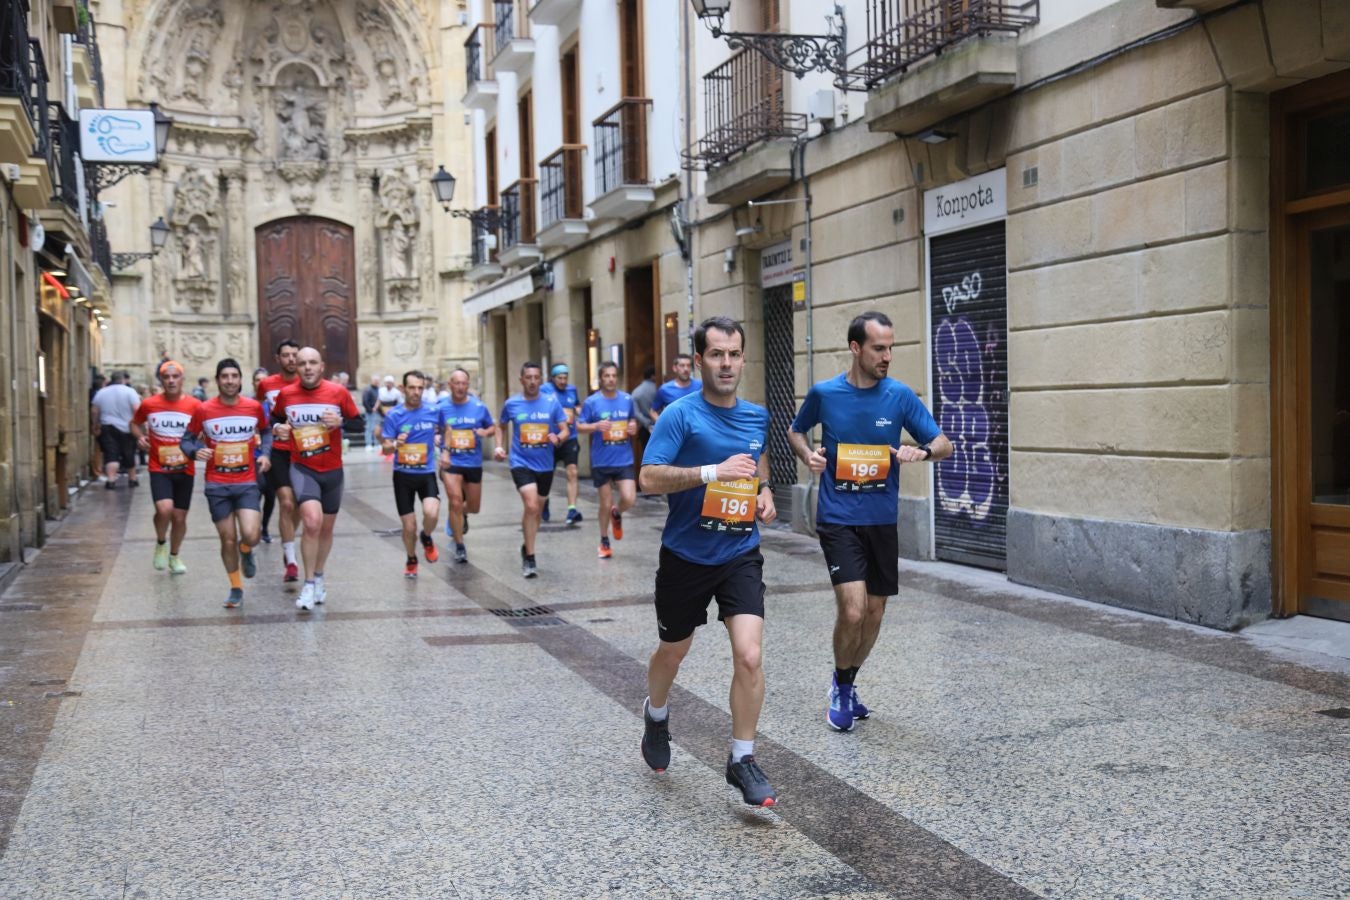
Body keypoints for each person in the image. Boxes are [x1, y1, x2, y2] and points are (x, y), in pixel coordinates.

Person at [788, 311, 953, 732]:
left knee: (875, 613)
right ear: (856, 348)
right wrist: (808, 455)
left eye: (891, 347)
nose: (888, 356)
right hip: (838, 517)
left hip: (882, 520)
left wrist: (924, 452)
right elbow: (796, 430)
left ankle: (846, 681)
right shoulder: (825, 394)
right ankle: (842, 689)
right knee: (853, 608)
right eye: (879, 348)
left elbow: (943, 442)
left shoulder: (898, 396)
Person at [637, 317, 778, 807]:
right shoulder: (678, 415)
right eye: (716, 354)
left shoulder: (756, 416)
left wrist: (764, 491)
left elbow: (756, 460)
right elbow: (649, 478)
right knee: (673, 652)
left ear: (743, 358)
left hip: (739, 551)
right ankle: (656, 714)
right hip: (686, 555)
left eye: (734, 354)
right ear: (699, 361)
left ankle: (742, 758)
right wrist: (709, 472)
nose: (726, 363)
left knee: (750, 654)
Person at [271, 347, 361, 612]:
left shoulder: (338, 393)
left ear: (322, 366)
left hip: (332, 470)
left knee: (326, 529)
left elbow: (359, 424)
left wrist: (341, 420)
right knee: (311, 522)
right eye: (302, 363)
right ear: (295, 368)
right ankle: (308, 584)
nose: (307, 367)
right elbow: (274, 420)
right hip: (303, 468)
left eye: (312, 363)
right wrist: (279, 429)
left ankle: (319, 576)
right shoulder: (287, 395)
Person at [180, 358, 272, 608]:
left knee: (251, 534)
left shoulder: (253, 407)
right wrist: (194, 451)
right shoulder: (204, 410)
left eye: (234, 376)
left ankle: (246, 550)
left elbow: (267, 431)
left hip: (246, 482)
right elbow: (186, 440)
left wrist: (265, 454)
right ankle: (235, 588)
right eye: (225, 376)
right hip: (217, 485)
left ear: (240, 380)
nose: (230, 381)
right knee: (227, 538)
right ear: (218, 380)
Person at [493, 361, 568, 578]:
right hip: (520, 462)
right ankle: (531, 557)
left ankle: (526, 545)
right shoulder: (512, 404)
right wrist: (499, 446)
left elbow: (564, 429)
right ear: (522, 380)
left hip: (545, 465)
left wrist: (558, 437)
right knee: (532, 505)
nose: (533, 381)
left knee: (536, 511)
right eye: (529, 377)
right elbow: (501, 425)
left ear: (541, 380)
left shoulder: (551, 403)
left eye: (536, 377)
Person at [131, 360, 202, 575]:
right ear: (161, 380)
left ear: (182, 379)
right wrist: (140, 438)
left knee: (179, 517)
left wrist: (199, 445)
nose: (171, 381)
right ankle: (161, 542)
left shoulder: (195, 406)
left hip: (185, 469)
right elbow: (134, 423)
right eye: (166, 377)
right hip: (159, 467)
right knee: (164, 510)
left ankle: (174, 555)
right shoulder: (149, 404)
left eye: (175, 376)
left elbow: (203, 430)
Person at [380, 370, 445, 578]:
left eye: (420, 388)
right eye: (412, 388)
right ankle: (411, 558)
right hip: (403, 476)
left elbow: (448, 428)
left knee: (432, 513)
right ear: (403, 389)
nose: (416, 392)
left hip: (426, 473)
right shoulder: (394, 415)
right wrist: (395, 445)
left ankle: (426, 537)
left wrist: (446, 448)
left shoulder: (434, 411)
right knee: (409, 527)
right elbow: (386, 447)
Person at [576, 361, 637, 559]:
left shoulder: (627, 399)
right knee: (604, 502)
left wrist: (633, 427)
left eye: (613, 375)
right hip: (601, 460)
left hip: (623, 458)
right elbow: (579, 426)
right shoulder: (592, 402)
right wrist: (595, 426)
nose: (610, 379)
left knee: (629, 497)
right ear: (600, 379)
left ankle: (617, 513)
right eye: (606, 376)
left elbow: (633, 421)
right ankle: (604, 540)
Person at [256, 340, 303, 581]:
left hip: (304, 450)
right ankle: (291, 559)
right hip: (278, 450)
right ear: (278, 359)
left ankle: (289, 543)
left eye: (295, 355)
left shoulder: (306, 382)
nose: (291, 359)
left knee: (299, 506)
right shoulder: (266, 384)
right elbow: (258, 411)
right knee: (286, 502)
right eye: (286, 355)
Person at [438, 368, 494, 564]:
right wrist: (440, 442)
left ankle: (459, 515)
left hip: (473, 461)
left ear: (468, 385)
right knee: (454, 500)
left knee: (474, 506)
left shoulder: (479, 407)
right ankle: (460, 546)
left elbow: (492, 426)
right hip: (451, 462)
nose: (460, 387)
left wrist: (486, 433)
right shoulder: (441, 407)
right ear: (450, 385)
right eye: (457, 383)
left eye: (464, 383)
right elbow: (433, 431)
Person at [539, 363, 582, 525]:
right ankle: (545, 500)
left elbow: (576, 404)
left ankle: (572, 508)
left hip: (569, 437)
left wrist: (578, 409)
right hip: (550, 439)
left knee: (572, 471)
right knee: (547, 475)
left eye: (565, 378)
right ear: (552, 378)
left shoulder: (571, 390)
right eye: (559, 378)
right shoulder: (545, 390)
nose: (563, 381)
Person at [91, 370, 141, 489]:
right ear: (123, 380)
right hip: (127, 427)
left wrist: (95, 424)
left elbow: (94, 410)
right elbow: (136, 409)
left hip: (107, 426)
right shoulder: (130, 392)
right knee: (129, 454)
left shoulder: (102, 392)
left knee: (111, 454)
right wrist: (139, 425)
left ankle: (111, 480)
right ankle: (132, 479)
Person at [252, 367, 277, 543]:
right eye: (257, 380)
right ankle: (254, 527)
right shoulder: (248, 404)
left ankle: (265, 527)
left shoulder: (274, 405)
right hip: (253, 454)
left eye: (264, 380)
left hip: (272, 453)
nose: (261, 383)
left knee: (270, 494)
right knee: (257, 490)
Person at [650, 353, 701, 422]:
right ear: (675, 368)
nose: (686, 369)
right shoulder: (665, 389)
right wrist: (662, 425)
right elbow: (652, 411)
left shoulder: (700, 385)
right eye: (682, 366)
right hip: (675, 430)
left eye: (688, 366)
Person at [362, 374, 381, 450]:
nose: (376, 382)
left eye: (377, 381)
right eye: (375, 380)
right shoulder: (368, 390)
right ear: (371, 381)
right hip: (370, 412)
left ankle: (377, 443)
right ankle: (368, 443)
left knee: (377, 428)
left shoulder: (379, 390)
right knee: (369, 428)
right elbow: (365, 401)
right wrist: (370, 409)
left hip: (378, 412)